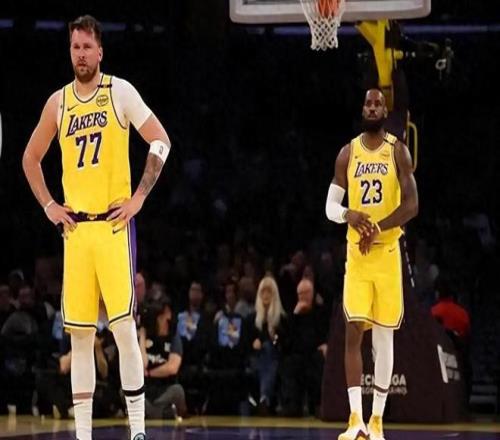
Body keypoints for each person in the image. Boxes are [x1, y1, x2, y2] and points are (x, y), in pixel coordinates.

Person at [22, 15, 171, 440]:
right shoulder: (59, 102)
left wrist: (139, 198)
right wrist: (49, 205)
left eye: (88, 47)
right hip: (77, 233)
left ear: (100, 51)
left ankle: (138, 431)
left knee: (124, 330)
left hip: (112, 227)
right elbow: (30, 158)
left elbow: (160, 140)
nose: (81, 54)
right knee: (81, 338)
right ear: (69, 51)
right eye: (75, 47)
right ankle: (84, 435)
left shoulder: (118, 91)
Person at [325, 89, 418, 439]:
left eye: (378, 103)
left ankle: (377, 421)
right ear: (362, 109)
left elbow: (412, 205)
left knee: (383, 336)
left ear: (385, 110)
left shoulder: (398, 151)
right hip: (358, 256)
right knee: (352, 331)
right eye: (368, 103)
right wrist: (349, 214)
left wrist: (378, 226)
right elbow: (330, 207)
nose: (373, 107)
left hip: (387, 253)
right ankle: (355, 420)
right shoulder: (347, 153)